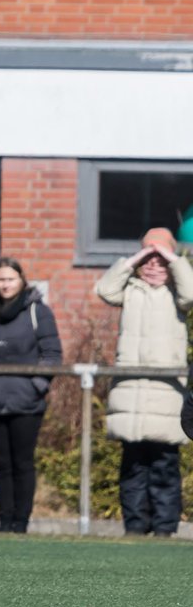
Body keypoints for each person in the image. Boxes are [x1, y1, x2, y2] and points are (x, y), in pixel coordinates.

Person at [95, 227, 193, 536]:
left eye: (159, 260)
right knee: (133, 466)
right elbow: (104, 289)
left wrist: (171, 258)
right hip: (131, 392)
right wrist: (135, 258)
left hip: (166, 394)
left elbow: (192, 293)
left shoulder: (177, 294)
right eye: (147, 259)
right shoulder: (131, 290)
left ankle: (165, 527)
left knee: (165, 465)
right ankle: (135, 526)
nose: (153, 265)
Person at [0, 256, 62, 533]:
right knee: (1, 464)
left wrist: (36, 386)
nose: (5, 285)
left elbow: (52, 354)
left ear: (21, 280)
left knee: (22, 462)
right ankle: (4, 520)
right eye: (0, 280)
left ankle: (21, 521)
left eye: (10, 279)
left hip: (26, 401)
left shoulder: (38, 312)